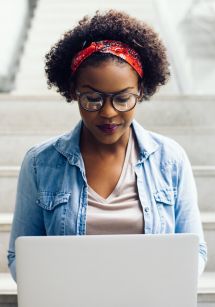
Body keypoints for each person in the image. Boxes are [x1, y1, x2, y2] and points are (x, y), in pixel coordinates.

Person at [8, 9, 207, 282]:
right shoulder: (40, 163)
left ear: (141, 91)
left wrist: (167, 286)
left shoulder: (170, 159)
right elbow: (20, 257)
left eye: (123, 99)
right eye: (92, 98)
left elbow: (195, 250)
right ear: (72, 92)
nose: (108, 113)